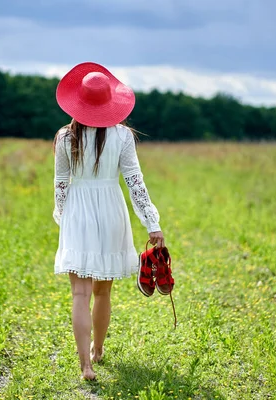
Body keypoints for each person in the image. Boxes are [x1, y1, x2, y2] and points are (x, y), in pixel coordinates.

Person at [52, 62, 164, 380]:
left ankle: (85, 366)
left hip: (79, 211)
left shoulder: (64, 137)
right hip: (112, 210)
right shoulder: (123, 136)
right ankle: (97, 351)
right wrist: (152, 223)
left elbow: (61, 183)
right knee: (103, 293)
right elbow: (135, 182)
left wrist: (63, 216)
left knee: (80, 295)